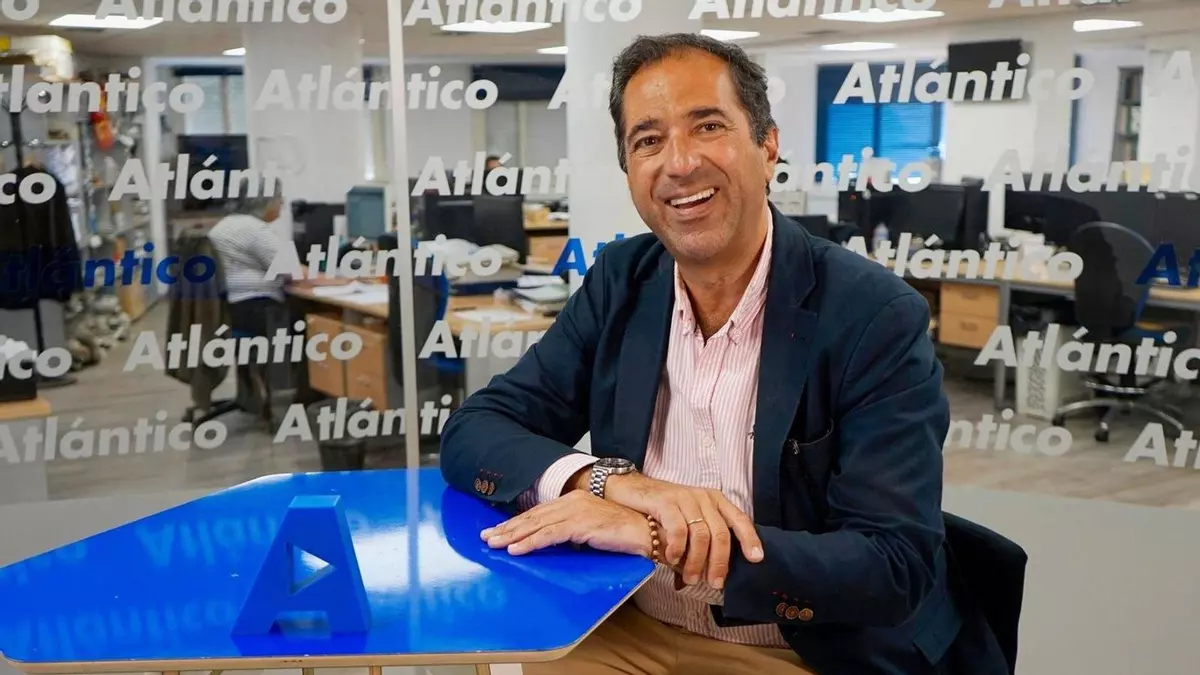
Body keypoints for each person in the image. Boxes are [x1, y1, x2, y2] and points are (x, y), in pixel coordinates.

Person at [439, 34, 1008, 675]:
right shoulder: (621, 281)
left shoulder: (873, 314)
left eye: (708, 126)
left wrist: (657, 535)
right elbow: (474, 431)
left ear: (768, 146)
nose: (680, 163)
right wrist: (615, 485)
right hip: (626, 620)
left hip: (797, 646)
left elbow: (892, 564)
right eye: (648, 140)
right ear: (629, 170)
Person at [207, 177, 291, 336]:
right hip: (256, 308)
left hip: (231, 307)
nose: (282, 202)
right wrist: (335, 280)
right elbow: (291, 270)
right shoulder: (253, 229)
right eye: (279, 197)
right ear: (266, 201)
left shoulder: (226, 224)